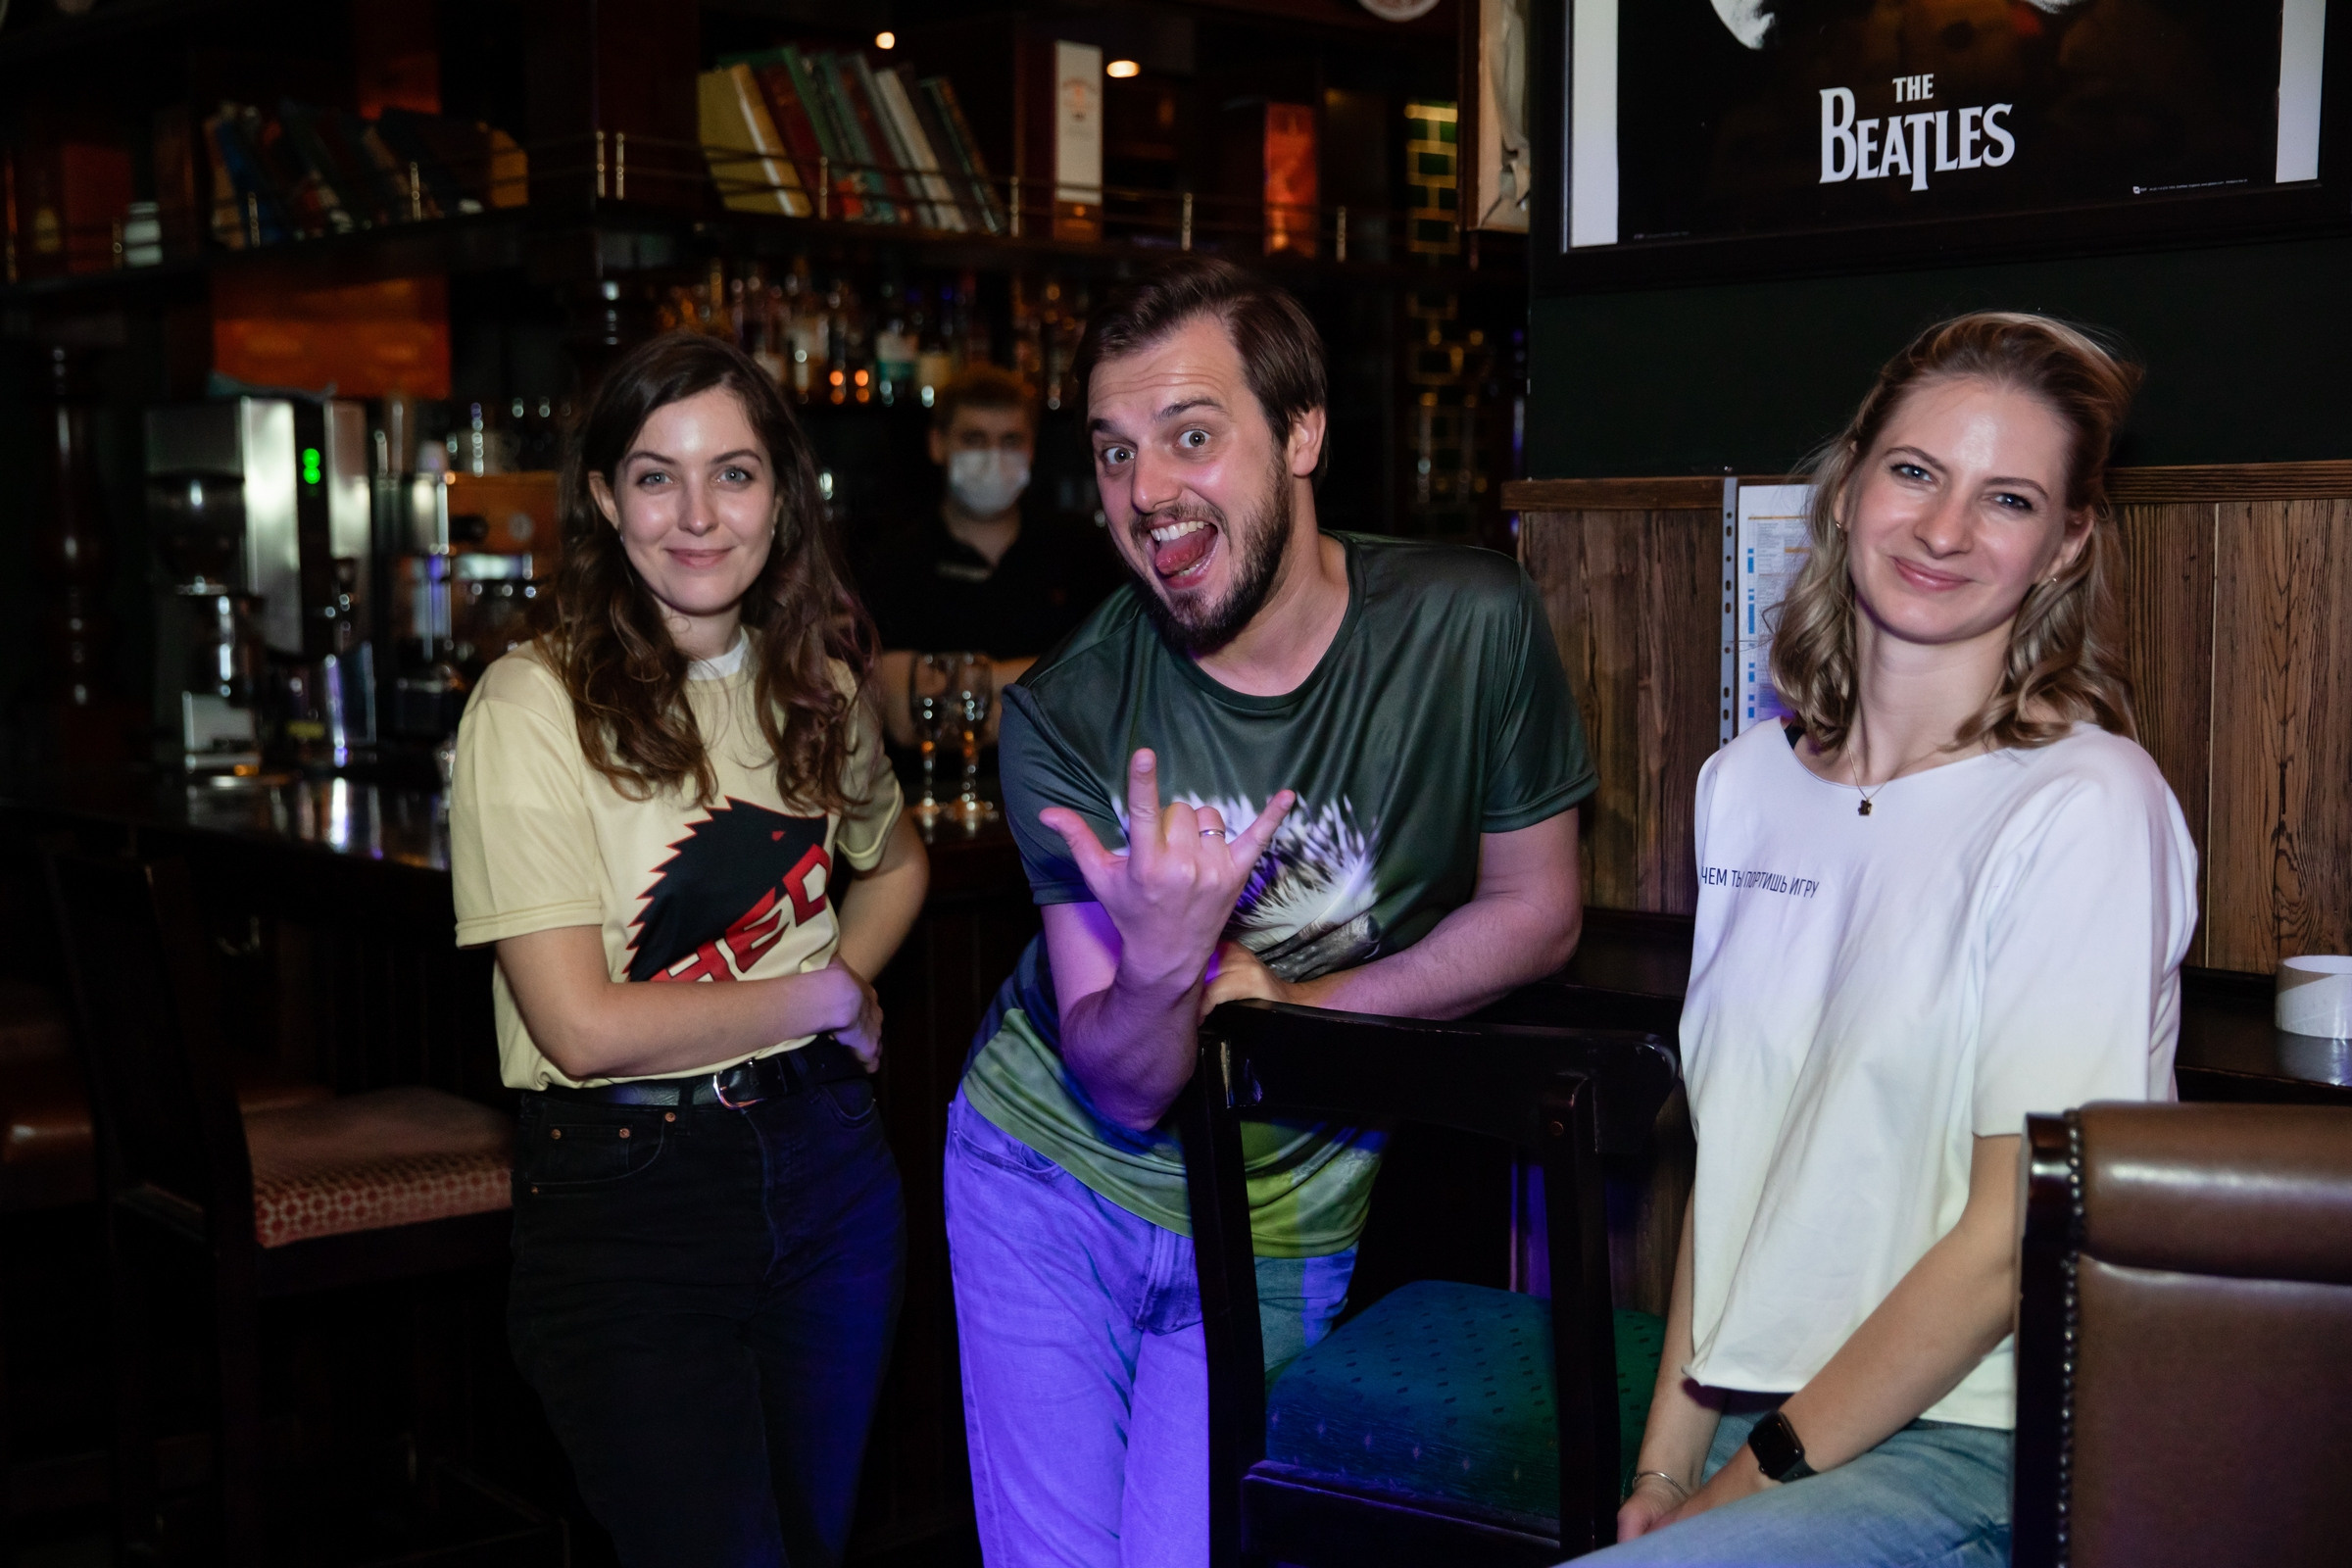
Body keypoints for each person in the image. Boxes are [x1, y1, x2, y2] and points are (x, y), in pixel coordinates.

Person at [945, 255, 1596, 1567]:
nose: (1147, 496)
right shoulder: (1066, 716)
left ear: (1301, 435)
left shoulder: (1468, 629)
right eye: (1117, 452)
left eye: (1192, 436)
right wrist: (1163, 974)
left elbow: (1538, 912)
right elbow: (1124, 1086)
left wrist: (1291, 1013)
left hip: (1283, 1206)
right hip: (1047, 1181)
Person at [1587, 314, 2197, 1567]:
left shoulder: (2084, 805)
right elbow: (1742, 1160)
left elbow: (2004, 1242)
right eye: (1917, 471)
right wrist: (1667, 1458)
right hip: (1769, 1417)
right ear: (1852, 475)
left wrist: (1743, 1484)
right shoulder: (1744, 782)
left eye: (2009, 497)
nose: (1944, 530)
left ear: (2067, 541)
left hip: (1984, 1436)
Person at [449, 332, 930, 1568]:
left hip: (828, 1164)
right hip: (629, 1189)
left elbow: (899, 861)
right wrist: (824, 990)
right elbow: (582, 1024)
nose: (698, 514)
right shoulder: (528, 703)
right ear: (606, 500)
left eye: (736, 472)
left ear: (784, 494)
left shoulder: (816, 679)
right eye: (657, 476)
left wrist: (845, 982)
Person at [858, 363, 1124, 747]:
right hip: (930, 794)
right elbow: (903, 717)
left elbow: (1107, 690)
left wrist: (954, 684)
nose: (992, 456)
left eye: (1010, 441)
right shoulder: (892, 560)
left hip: (1060, 797)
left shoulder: (1083, 551)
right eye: (974, 439)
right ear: (937, 444)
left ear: (1032, 448)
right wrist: (1043, 687)